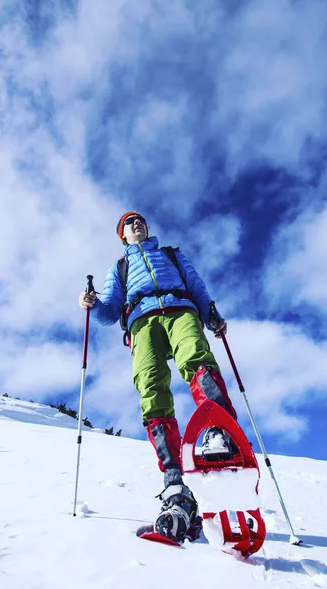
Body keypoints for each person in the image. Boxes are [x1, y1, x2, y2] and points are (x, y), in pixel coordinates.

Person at [79, 211, 238, 543]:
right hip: (141, 321)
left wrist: (211, 313)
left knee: (196, 357)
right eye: (129, 223)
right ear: (122, 235)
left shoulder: (170, 254)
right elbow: (110, 311)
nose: (137, 224)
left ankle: (220, 434)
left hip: (180, 309)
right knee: (150, 386)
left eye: (141, 221)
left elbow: (195, 284)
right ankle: (175, 483)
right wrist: (93, 304)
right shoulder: (119, 268)